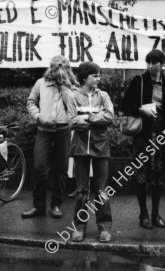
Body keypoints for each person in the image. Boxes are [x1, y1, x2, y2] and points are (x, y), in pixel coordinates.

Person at [122, 49, 165, 229]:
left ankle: (155, 213)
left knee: (158, 175)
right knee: (141, 173)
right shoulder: (139, 81)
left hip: (160, 134)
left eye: (155, 62)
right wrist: (140, 110)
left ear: (162, 63)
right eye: (149, 62)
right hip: (143, 133)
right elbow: (125, 105)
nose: (151, 66)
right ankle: (143, 213)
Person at [23, 56, 79, 219]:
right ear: (50, 68)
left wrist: (63, 86)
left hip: (63, 130)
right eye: (55, 68)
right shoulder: (41, 83)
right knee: (39, 166)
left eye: (61, 68)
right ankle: (38, 206)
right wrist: (39, 117)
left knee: (60, 168)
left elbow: (73, 106)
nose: (57, 71)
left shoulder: (72, 86)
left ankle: (56, 205)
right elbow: (31, 102)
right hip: (44, 129)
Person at [66, 62, 115, 242]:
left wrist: (86, 118)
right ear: (85, 77)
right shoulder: (73, 96)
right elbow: (71, 121)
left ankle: (104, 227)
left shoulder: (104, 95)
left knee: (102, 189)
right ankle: (79, 227)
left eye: (99, 75)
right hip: (79, 148)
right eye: (95, 75)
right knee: (81, 190)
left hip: (101, 147)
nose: (99, 78)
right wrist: (96, 118)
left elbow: (110, 116)